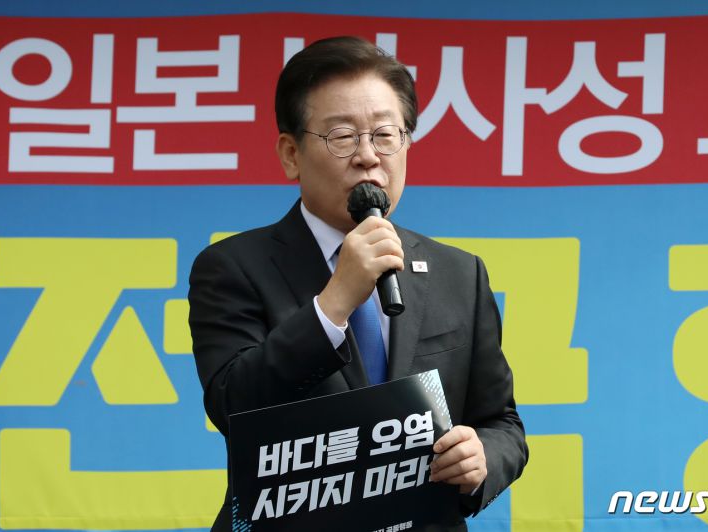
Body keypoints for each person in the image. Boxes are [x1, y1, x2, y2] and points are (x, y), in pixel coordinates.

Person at [188, 35, 528, 531]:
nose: (368, 156)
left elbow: (502, 423)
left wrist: (482, 459)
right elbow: (233, 407)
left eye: (385, 134)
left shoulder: (459, 273)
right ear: (291, 154)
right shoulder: (233, 267)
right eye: (342, 136)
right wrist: (333, 304)